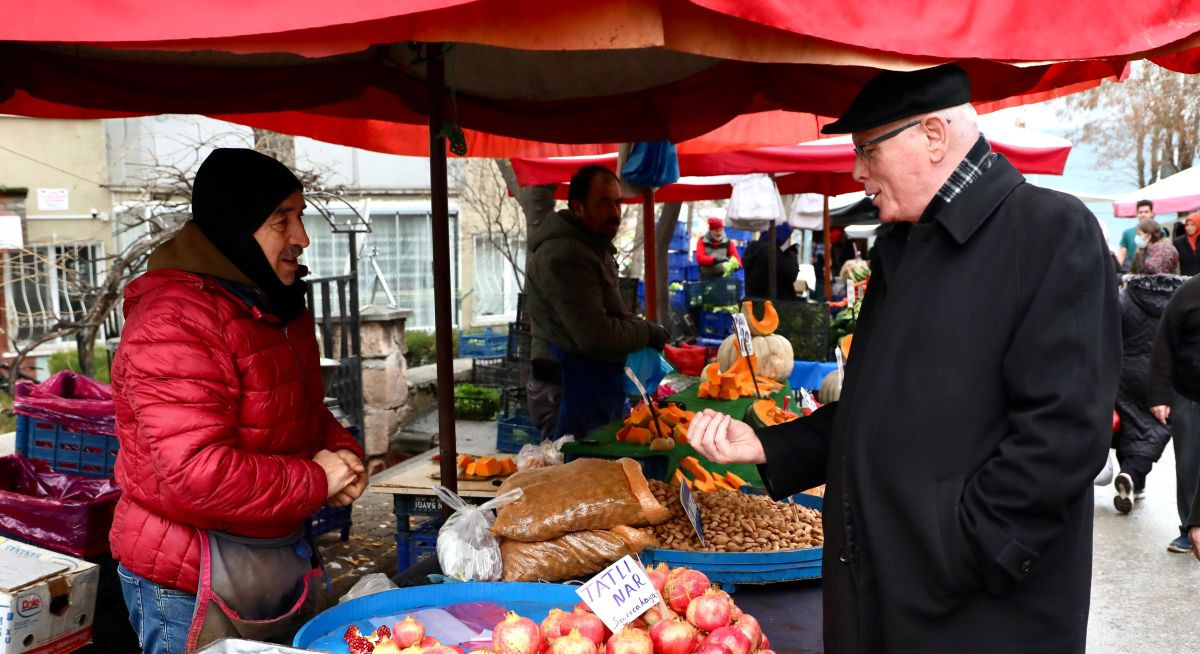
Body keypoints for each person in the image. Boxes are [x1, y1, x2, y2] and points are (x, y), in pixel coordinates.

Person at [687, 64, 1118, 654]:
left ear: (934, 135)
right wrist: (772, 446)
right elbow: (874, 409)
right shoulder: (905, 246)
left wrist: (961, 549)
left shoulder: (1050, 232)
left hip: (977, 615)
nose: (857, 170)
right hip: (886, 591)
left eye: (867, 148)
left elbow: (1064, 434)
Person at [109, 149, 367, 654]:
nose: (301, 237)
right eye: (281, 220)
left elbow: (295, 408)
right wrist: (316, 480)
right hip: (188, 576)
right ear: (236, 224)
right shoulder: (174, 321)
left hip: (268, 557)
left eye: (301, 215)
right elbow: (195, 471)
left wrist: (340, 452)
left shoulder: (268, 302)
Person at [524, 165, 670, 440]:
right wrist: (645, 332)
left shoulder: (590, 246)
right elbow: (595, 335)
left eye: (617, 202)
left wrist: (640, 327)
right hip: (568, 390)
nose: (614, 212)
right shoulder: (566, 255)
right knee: (576, 477)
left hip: (590, 386)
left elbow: (607, 315)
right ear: (578, 208)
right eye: (604, 203)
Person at [1111, 241, 1185, 514]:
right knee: (1154, 429)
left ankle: (1131, 478)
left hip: (1124, 375)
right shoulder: (1182, 298)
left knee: (1130, 425)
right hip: (1163, 377)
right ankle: (1133, 476)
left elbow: (1110, 334)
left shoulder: (1126, 296)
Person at [1149, 271, 1200, 553]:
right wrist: (1159, 395)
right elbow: (1163, 346)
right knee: (1190, 464)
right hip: (1189, 394)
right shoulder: (1189, 292)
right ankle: (1189, 528)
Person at [742, 221, 798, 300]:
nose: (788, 240)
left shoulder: (755, 249)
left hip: (756, 303)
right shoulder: (771, 252)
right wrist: (792, 252)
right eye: (787, 236)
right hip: (772, 306)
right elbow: (791, 274)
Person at [1117, 199, 1154, 271]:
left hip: (1154, 271)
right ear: (1137, 214)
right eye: (1140, 212)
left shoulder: (1158, 232)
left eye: (1146, 212)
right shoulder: (1128, 233)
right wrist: (1116, 270)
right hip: (1133, 271)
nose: (1143, 214)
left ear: (1152, 213)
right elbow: (1122, 253)